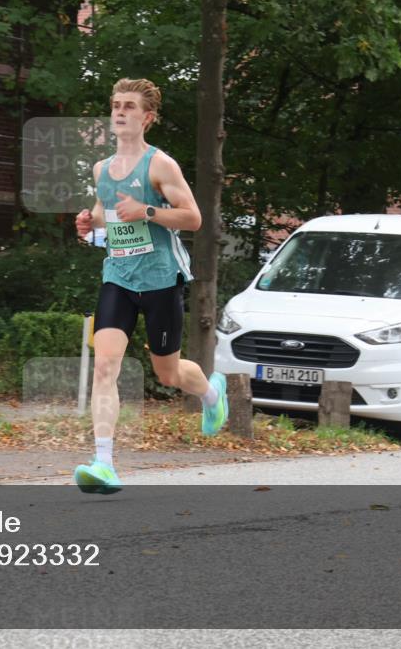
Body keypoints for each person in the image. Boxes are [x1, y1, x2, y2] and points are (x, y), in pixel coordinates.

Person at [73, 78, 228, 494]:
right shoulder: (101, 169)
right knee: (105, 366)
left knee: (168, 373)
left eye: (129, 106)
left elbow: (193, 218)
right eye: (115, 105)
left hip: (161, 279)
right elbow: (105, 212)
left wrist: (147, 211)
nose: (120, 112)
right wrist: (89, 223)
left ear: (147, 117)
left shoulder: (161, 166)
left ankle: (212, 394)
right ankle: (103, 464)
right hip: (118, 277)